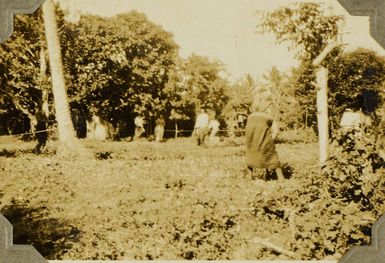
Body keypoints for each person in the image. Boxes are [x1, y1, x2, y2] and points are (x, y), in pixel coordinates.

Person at [245, 106, 284, 181]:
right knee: (272, 158)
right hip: (265, 142)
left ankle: (249, 178)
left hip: (251, 141)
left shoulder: (250, 117)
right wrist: (271, 139)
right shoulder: (268, 116)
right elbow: (276, 130)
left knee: (250, 157)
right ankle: (281, 178)